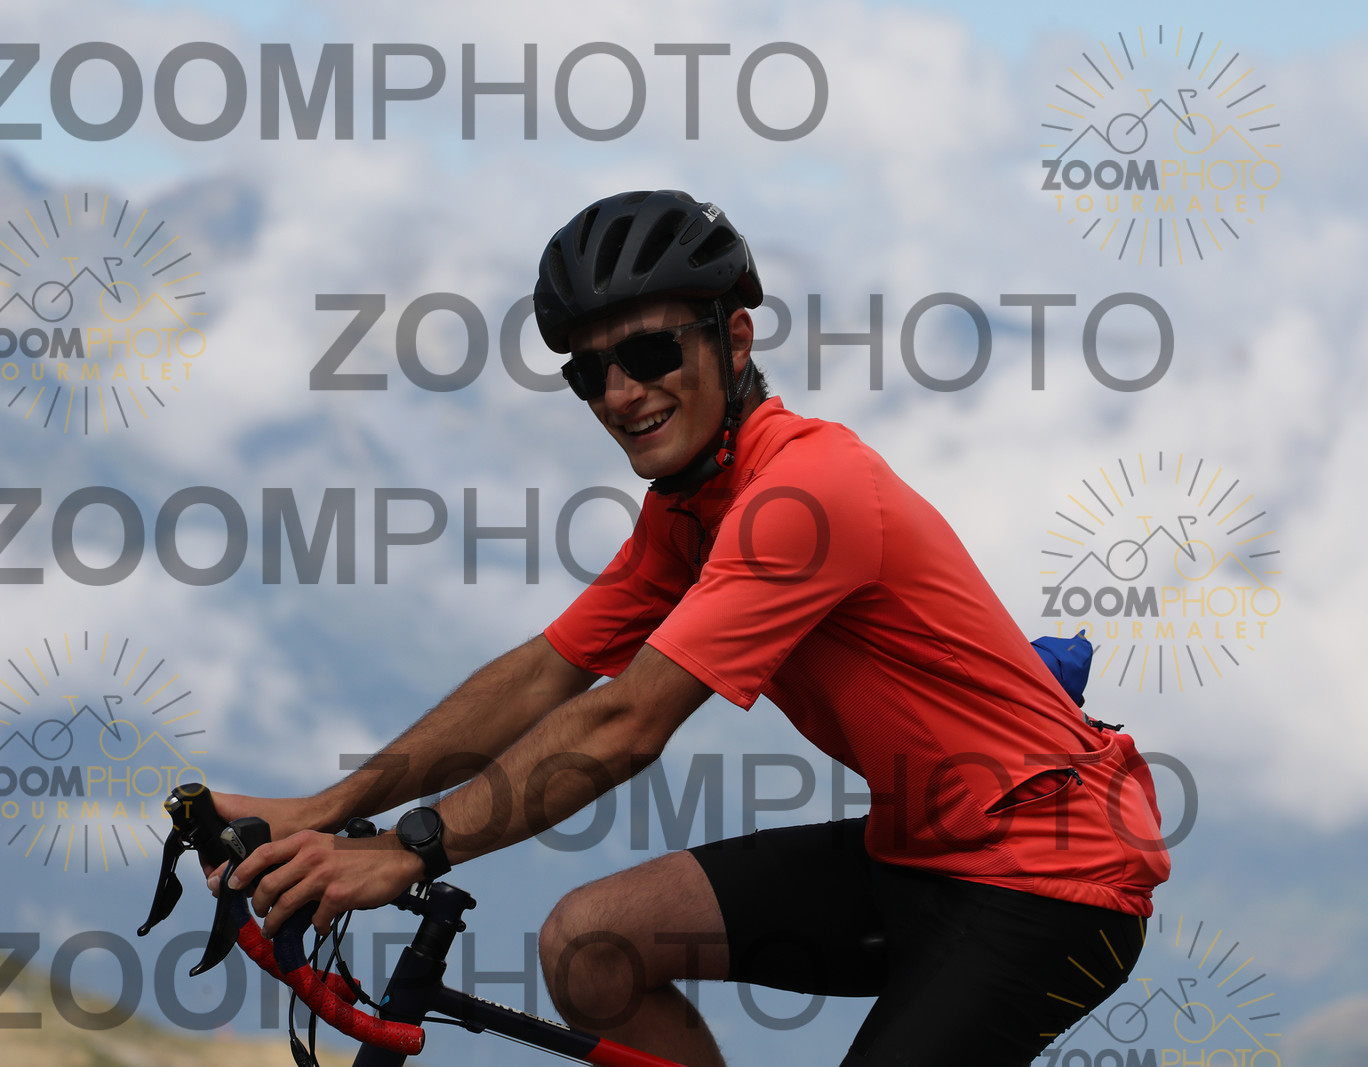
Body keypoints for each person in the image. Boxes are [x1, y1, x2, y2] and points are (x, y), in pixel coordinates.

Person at [215, 190, 1170, 1067]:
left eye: (649, 355)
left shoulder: (805, 493)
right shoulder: (690, 507)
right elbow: (546, 674)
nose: (620, 393)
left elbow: (625, 722)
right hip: (917, 849)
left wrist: (410, 848)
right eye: (590, 372)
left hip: (1054, 883)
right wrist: (325, 809)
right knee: (591, 946)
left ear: (734, 338)